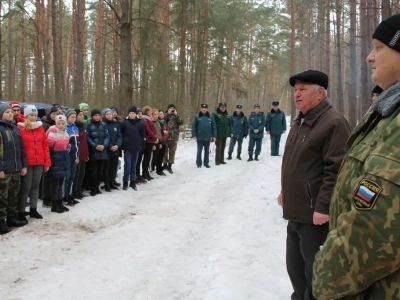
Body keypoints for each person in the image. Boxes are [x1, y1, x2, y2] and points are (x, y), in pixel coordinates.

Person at [312, 14, 400, 299]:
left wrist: (324, 272)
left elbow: (376, 228)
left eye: (379, 47)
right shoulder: (388, 112)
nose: (370, 58)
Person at [278, 69, 351, 300]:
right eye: (295, 90)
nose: (297, 95)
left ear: (320, 93)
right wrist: (284, 190)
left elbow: (336, 170)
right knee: (295, 270)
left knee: (315, 274)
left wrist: (323, 207)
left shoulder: (333, 123)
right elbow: (295, 163)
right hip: (296, 212)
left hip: (315, 217)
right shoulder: (301, 121)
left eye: (303, 89)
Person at [17, 105, 51, 221]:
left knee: (35, 186)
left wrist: (47, 162)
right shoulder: (20, 128)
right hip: (27, 162)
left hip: (39, 161)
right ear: (26, 115)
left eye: (35, 115)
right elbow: (20, 147)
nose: (33, 117)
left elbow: (45, 145)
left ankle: (33, 209)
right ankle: (21, 210)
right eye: (31, 115)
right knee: (25, 187)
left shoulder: (40, 128)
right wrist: (22, 163)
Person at [0, 104, 28, 234]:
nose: (10, 114)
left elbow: (21, 149)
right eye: (7, 112)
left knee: (13, 194)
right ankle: (1, 221)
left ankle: (12, 217)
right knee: (2, 196)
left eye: (11, 112)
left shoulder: (16, 129)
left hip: (16, 167)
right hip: (4, 169)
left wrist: (23, 165)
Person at [46, 115, 70, 213]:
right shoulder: (52, 134)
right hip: (56, 158)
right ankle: (54, 203)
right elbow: (49, 146)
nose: (60, 125)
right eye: (59, 123)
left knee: (61, 183)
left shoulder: (67, 134)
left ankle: (60, 201)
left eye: (62, 123)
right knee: (55, 184)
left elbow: (67, 145)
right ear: (56, 124)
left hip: (64, 158)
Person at [120, 106, 146, 190]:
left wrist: (142, 145)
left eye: (133, 113)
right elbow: (121, 134)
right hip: (127, 147)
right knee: (127, 164)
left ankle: (133, 181)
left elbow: (143, 135)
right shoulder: (124, 123)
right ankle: (125, 181)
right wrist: (123, 142)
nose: (131, 115)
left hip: (136, 146)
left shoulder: (140, 123)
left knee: (134, 165)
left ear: (136, 114)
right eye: (130, 113)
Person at [86, 109, 110, 196]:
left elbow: (107, 136)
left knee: (100, 171)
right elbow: (87, 137)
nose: (97, 117)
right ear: (92, 116)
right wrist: (95, 145)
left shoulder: (103, 124)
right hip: (93, 151)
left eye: (98, 115)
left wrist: (104, 145)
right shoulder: (88, 125)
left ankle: (97, 186)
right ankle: (92, 188)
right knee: (93, 171)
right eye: (95, 115)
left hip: (102, 151)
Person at [41, 106, 58, 207]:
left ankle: (53, 196)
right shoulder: (45, 125)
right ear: (49, 114)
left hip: (57, 154)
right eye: (53, 114)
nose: (55, 116)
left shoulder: (58, 125)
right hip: (48, 153)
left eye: (57, 114)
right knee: (47, 177)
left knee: (54, 177)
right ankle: (45, 197)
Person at [102, 108, 122, 191]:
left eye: (110, 114)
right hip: (107, 149)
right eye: (107, 114)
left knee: (114, 167)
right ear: (104, 115)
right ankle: (107, 184)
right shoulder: (103, 124)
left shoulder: (116, 124)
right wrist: (109, 145)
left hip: (115, 149)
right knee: (107, 167)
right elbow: (104, 137)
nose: (109, 115)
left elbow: (119, 135)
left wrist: (117, 145)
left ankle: (112, 182)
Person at [191, 104, 217, 168]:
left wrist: (214, 136)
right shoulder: (197, 117)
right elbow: (193, 127)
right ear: (201, 109)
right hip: (199, 137)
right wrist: (194, 135)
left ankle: (206, 163)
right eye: (202, 108)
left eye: (205, 108)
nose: (204, 109)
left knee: (207, 151)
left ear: (207, 109)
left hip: (207, 137)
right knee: (199, 151)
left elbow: (214, 127)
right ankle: (198, 163)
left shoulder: (211, 117)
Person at [72, 109, 89, 200]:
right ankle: (74, 191)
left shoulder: (83, 126)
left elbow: (85, 142)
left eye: (82, 115)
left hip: (84, 152)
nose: (82, 116)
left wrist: (87, 153)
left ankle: (79, 190)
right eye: (80, 115)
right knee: (76, 174)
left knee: (81, 173)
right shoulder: (75, 127)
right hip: (77, 153)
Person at [64, 109, 80, 205]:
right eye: (71, 117)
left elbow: (77, 143)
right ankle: (65, 196)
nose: (73, 119)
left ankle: (70, 194)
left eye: (74, 117)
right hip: (68, 156)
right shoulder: (66, 128)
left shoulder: (75, 128)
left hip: (75, 156)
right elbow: (66, 143)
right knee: (67, 176)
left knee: (72, 176)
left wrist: (77, 155)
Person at [163, 104, 183, 174]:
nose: (172, 109)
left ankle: (170, 166)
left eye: (173, 108)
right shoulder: (164, 115)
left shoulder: (176, 116)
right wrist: (167, 114)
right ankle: (164, 164)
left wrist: (176, 115)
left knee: (172, 152)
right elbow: (162, 121)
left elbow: (181, 122)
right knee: (164, 152)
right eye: (170, 108)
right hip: (165, 137)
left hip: (174, 137)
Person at [141, 106, 159, 181]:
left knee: (148, 158)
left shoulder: (148, 119)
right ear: (147, 111)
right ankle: (144, 173)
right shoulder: (145, 119)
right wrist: (155, 138)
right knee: (146, 157)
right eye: (150, 111)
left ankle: (146, 172)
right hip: (148, 140)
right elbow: (148, 130)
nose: (151, 113)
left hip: (150, 140)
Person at [156, 111, 170, 176]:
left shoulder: (165, 122)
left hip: (164, 139)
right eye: (160, 114)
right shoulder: (157, 122)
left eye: (162, 113)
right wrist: (163, 131)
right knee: (158, 155)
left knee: (162, 154)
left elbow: (168, 128)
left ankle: (160, 167)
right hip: (159, 140)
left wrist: (167, 131)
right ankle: (158, 168)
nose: (162, 115)